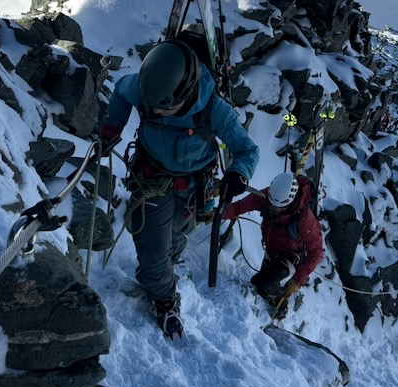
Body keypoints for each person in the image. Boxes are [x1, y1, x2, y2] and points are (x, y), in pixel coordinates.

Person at [98, 39, 258, 339]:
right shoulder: (147, 90)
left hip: (194, 188)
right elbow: (121, 90)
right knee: (154, 249)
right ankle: (164, 299)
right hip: (152, 180)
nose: (155, 111)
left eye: (165, 107)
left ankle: (161, 270)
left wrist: (239, 174)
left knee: (174, 238)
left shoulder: (214, 111)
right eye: (153, 106)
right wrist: (112, 128)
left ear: (185, 94)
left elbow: (247, 150)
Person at [223, 171, 323, 320]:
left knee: (258, 283)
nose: (275, 209)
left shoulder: (305, 219)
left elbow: (316, 252)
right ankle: (279, 308)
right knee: (268, 286)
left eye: (280, 207)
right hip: (271, 252)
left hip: (292, 257)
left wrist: (297, 280)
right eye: (273, 205)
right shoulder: (268, 197)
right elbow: (240, 206)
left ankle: (275, 310)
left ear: (291, 202)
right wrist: (219, 213)